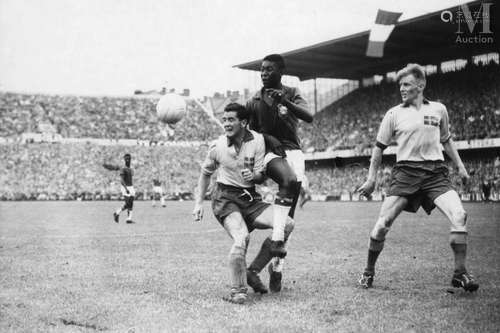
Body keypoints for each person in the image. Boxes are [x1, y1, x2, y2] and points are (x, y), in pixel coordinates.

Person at [357, 64, 479, 292]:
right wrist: (371, 179)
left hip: (435, 173)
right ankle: (368, 271)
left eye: (406, 84)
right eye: (400, 85)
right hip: (405, 173)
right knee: (382, 226)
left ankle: (460, 273)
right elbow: (378, 148)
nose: (402, 89)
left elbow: (447, 140)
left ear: (421, 85)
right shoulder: (393, 114)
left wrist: (461, 167)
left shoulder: (439, 109)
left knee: (460, 215)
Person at [192, 103, 295, 304]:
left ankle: (253, 271)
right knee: (242, 238)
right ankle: (237, 291)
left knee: (288, 224)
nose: (226, 124)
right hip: (225, 198)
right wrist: (198, 203)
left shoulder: (257, 141)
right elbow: (205, 175)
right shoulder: (218, 146)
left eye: (231, 119)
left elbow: (260, 177)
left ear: (244, 122)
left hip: (250, 197)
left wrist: (255, 175)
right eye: (224, 119)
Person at [245, 53, 313, 292]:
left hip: (294, 153)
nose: (263, 73)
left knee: (288, 220)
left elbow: (309, 116)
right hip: (272, 154)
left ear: (280, 72)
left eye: (269, 69)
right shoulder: (254, 100)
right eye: (261, 70)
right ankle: (273, 246)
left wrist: (286, 102)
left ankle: (275, 267)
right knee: (288, 181)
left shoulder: (292, 92)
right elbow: (251, 134)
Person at [103, 153, 136, 224]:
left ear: (130, 159)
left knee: (130, 203)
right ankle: (117, 213)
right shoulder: (123, 169)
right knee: (128, 203)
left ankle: (129, 219)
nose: (128, 160)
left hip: (131, 187)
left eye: (129, 158)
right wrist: (126, 188)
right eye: (126, 159)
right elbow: (121, 180)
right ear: (124, 160)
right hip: (126, 187)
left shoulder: (130, 169)